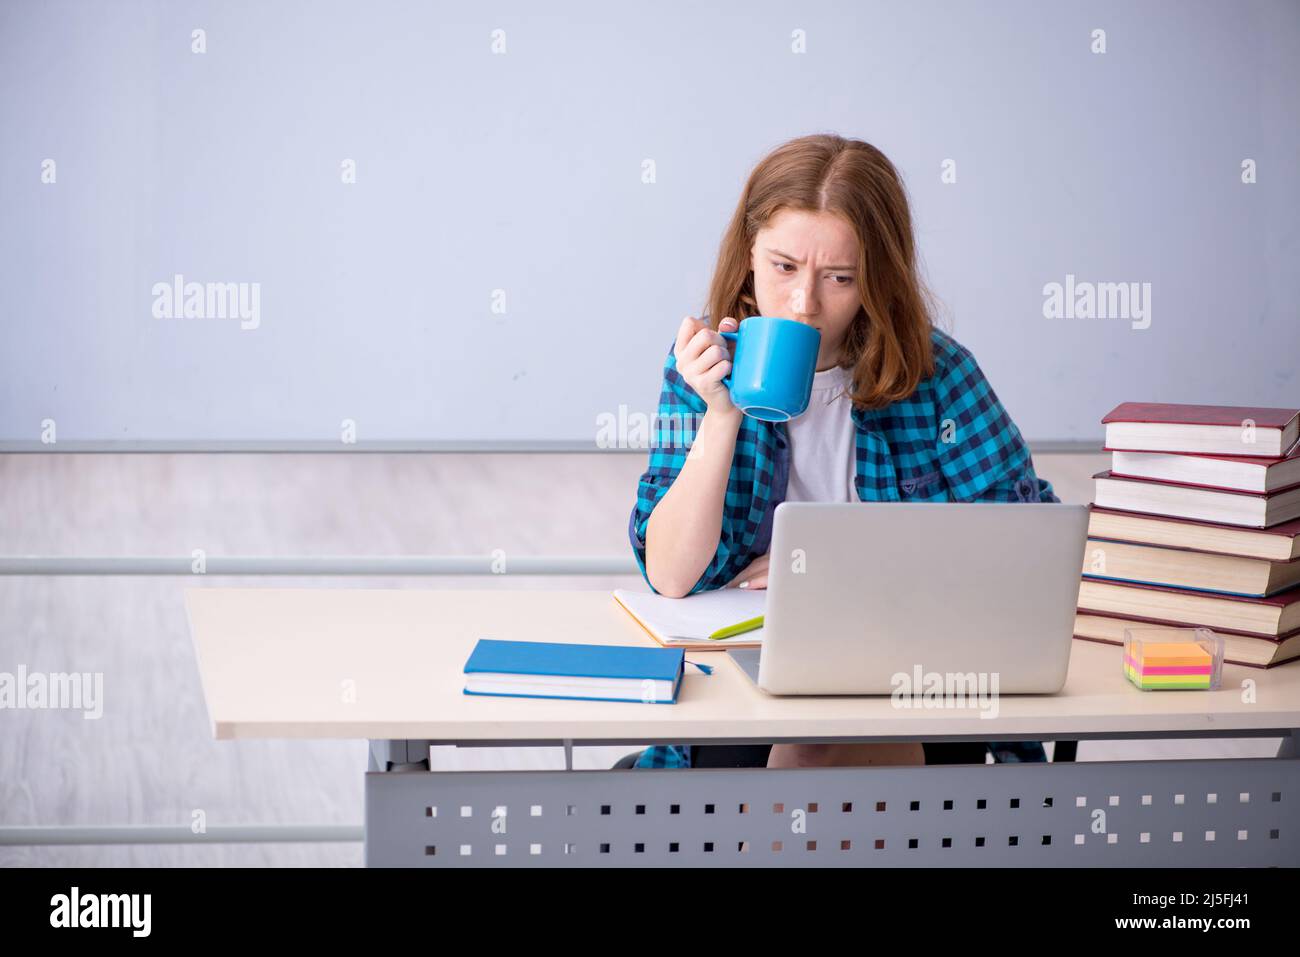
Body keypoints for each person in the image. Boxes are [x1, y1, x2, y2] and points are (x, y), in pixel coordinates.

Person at [626, 133, 1055, 770]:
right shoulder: (700, 368)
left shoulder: (938, 377)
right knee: (775, 754)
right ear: (749, 253)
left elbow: (1031, 553)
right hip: (747, 689)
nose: (805, 305)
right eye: (783, 266)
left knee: (820, 755)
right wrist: (720, 418)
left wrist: (842, 567)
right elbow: (669, 575)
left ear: (876, 279)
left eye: (839, 278)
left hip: (913, 680)